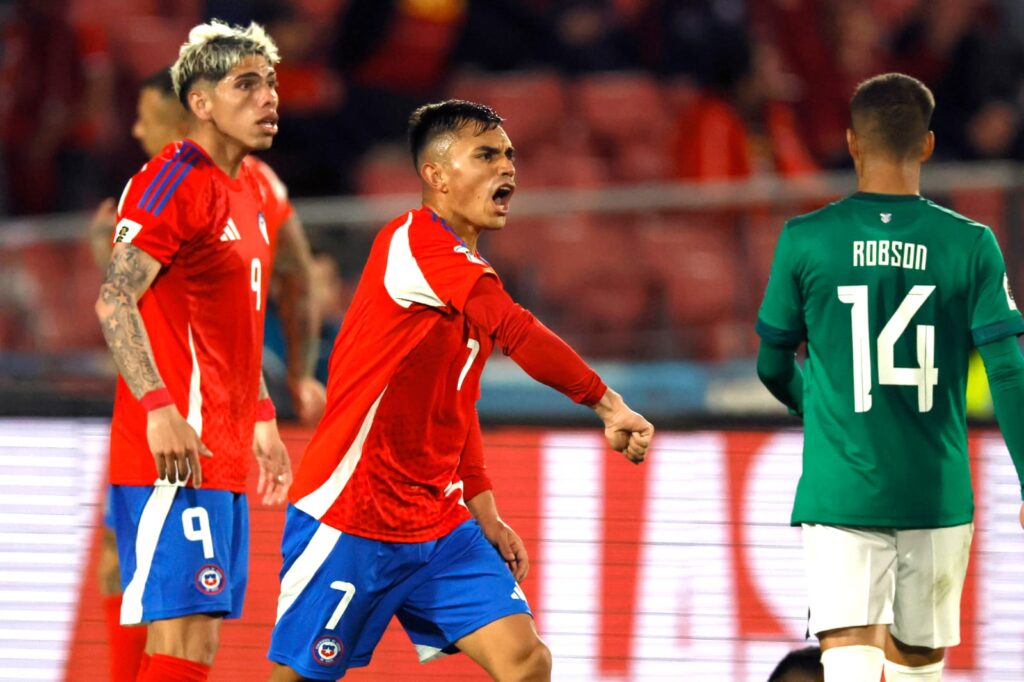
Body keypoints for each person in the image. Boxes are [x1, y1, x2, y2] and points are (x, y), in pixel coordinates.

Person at [266, 100, 654, 681]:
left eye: (510, 155)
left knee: (526, 662)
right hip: (351, 515)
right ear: (437, 175)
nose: (508, 168)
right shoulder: (415, 243)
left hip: (437, 522)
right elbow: (518, 329)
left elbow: (456, 404)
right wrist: (605, 401)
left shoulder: (465, 271)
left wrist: (485, 512)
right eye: (487, 155)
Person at [756, 72, 1024, 682]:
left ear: (852, 142)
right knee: (918, 670)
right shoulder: (971, 244)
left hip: (842, 487)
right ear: (927, 145)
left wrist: (818, 410)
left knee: (848, 664)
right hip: (935, 490)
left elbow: (771, 364)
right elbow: (1008, 373)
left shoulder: (805, 239)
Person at [87, 64, 326, 681]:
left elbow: (238, 317)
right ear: (200, 104)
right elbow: (120, 299)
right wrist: (159, 405)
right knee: (181, 628)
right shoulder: (171, 182)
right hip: (175, 431)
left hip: (214, 435)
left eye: (270, 85)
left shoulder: (249, 189)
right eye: (249, 85)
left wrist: (265, 410)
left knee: (192, 630)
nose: (139, 127)